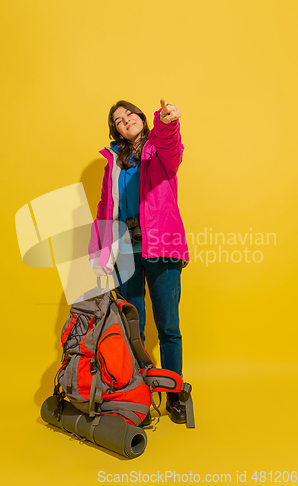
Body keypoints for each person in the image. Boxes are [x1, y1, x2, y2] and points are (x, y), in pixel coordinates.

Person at [88, 99, 189, 423]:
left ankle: (174, 395)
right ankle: (138, 392)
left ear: (143, 118)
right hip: (126, 253)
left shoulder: (159, 151)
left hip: (161, 250)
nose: (125, 120)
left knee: (168, 327)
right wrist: (100, 252)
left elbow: (171, 144)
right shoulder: (113, 163)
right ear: (114, 130)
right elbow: (106, 206)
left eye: (129, 114)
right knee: (133, 328)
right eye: (118, 120)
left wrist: (168, 123)